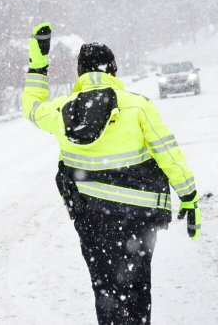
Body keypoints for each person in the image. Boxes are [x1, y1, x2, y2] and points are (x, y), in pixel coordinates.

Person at [21, 22, 201, 325]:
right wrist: (189, 196)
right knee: (137, 288)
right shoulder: (138, 107)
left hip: (92, 219)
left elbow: (31, 108)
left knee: (104, 288)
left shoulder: (63, 111)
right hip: (138, 220)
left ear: (80, 73)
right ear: (113, 71)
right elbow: (169, 154)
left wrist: (38, 66)